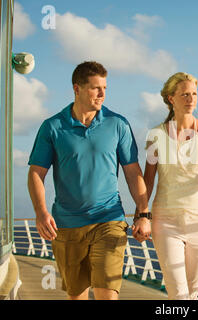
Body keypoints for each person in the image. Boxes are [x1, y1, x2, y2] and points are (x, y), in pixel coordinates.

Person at [27, 61, 151, 300]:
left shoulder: (118, 124)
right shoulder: (52, 127)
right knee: (77, 296)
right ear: (77, 89)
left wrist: (143, 213)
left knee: (107, 293)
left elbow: (132, 172)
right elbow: (36, 173)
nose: (102, 94)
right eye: (96, 88)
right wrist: (41, 212)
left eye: (105, 87)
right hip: (66, 225)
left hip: (108, 220)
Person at [143, 72, 198, 300]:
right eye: (184, 94)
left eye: (194, 94)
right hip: (166, 219)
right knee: (178, 293)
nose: (190, 99)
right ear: (171, 98)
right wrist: (142, 213)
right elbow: (148, 179)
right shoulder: (156, 135)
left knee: (192, 291)